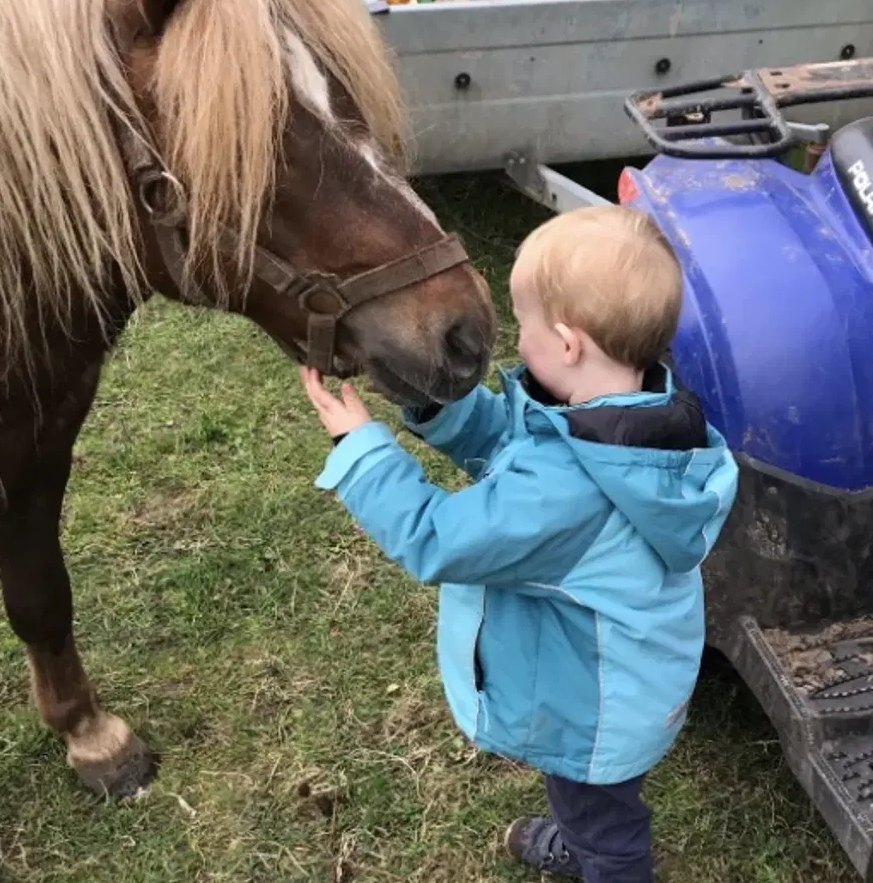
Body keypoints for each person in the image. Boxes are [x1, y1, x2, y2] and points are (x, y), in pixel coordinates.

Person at [299, 205, 738, 882]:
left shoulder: (566, 488)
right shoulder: (627, 412)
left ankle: (603, 862)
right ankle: (584, 842)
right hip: (620, 678)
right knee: (588, 799)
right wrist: (437, 400)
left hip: (597, 709)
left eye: (523, 322)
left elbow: (437, 539)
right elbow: (515, 436)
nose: (513, 337)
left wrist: (362, 451)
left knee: (602, 817)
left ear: (567, 344)